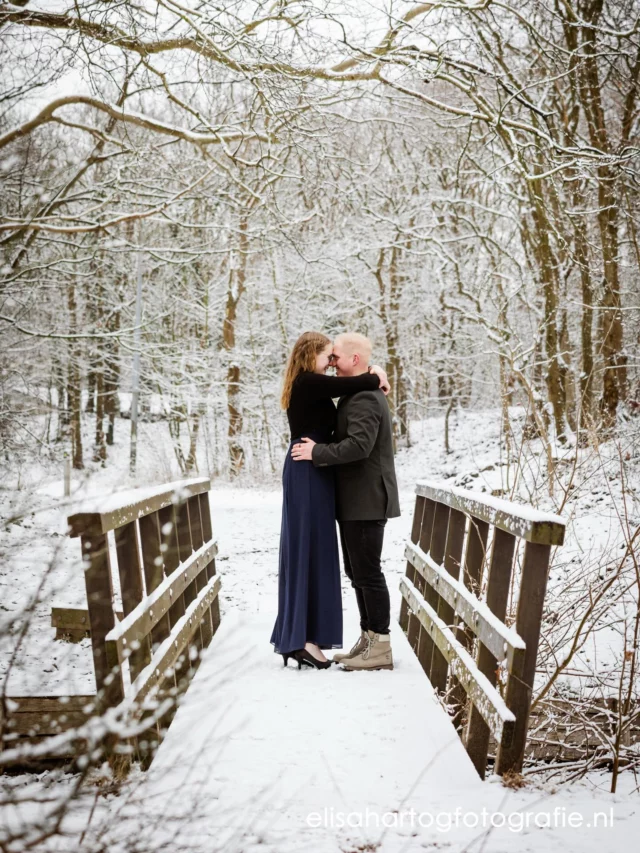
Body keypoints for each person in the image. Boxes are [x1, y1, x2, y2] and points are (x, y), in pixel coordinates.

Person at [270, 331, 389, 671]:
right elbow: (356, 383)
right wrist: (375, 374)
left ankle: (307, 635)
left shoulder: (313, 382)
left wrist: (374, 371)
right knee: (308, 550)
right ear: (312, 356)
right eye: (328, 356)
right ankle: (301, 639)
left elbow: (354, 385)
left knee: (317, 551)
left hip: (316, 469)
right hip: (308, 469)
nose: (332, 362)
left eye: (336, 357)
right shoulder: (309, 382)